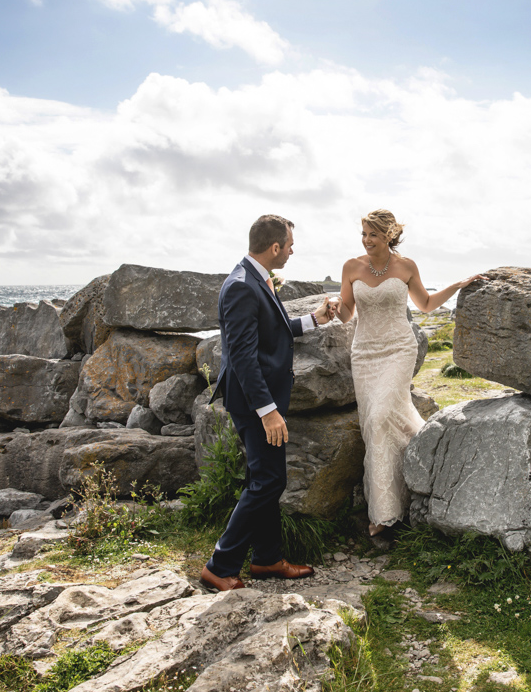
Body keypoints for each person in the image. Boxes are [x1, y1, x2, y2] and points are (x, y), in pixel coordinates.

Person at [201, 214, 338, 591]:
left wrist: (314, 320)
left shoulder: (256, 278)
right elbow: (243, 357)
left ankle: (266, 559)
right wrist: (269, 412)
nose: (293, 251)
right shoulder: (242, 286)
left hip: (258, 401)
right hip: (252, 404)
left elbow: (271, 331)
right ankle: (221, 565)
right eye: (290, 245)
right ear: (275, 247)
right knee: (268, 481)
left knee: (264, 479)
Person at [333, 209, 485, 537]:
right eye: (363, 234)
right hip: (365, 354)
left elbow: (426, 304)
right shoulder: (351, 266)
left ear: (389, 234)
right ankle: (405, 487)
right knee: (376, 422)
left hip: (399, 349)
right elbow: (347, 314)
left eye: (373, 234)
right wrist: (335, 307)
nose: (366, 240)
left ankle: (383, 515)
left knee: (380, 416)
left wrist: (458, 285)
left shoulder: (406, 266)